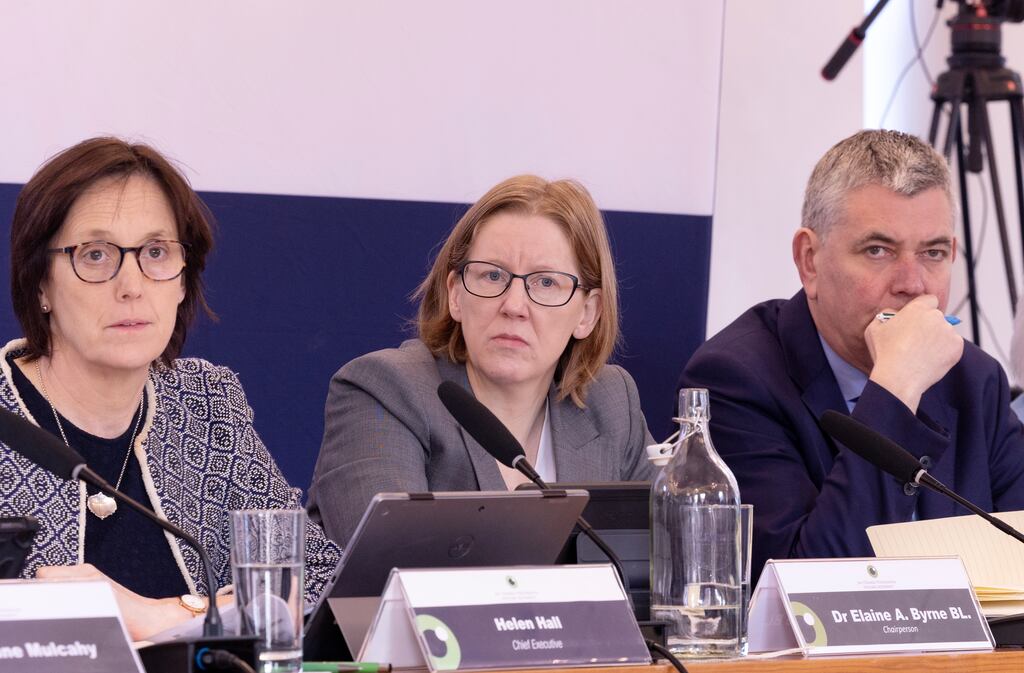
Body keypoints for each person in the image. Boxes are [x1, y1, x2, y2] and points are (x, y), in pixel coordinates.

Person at [1, 137, 340, 639]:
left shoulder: (205, 402)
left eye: (156, 252)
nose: (132, 285)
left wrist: (166, 617)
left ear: (183, 281)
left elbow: (313, 580)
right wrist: (213, 613)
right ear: (39, 284)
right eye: (95, 255)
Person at [679, 129, 1024, 584]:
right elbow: (806, 591)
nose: (914, 284)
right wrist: (896, 390)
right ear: (810, 260)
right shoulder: (735, 380)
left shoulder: (976, 380)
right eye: (878, 250)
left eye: (933, 253)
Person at [308, 175, 655, 545]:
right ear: (455, 294)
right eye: (492, 275)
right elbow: (388, 567)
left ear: (587, 312)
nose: (514, 306)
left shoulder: (611, 403)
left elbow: (675, 556)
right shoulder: (386, 391)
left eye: (546, 283)